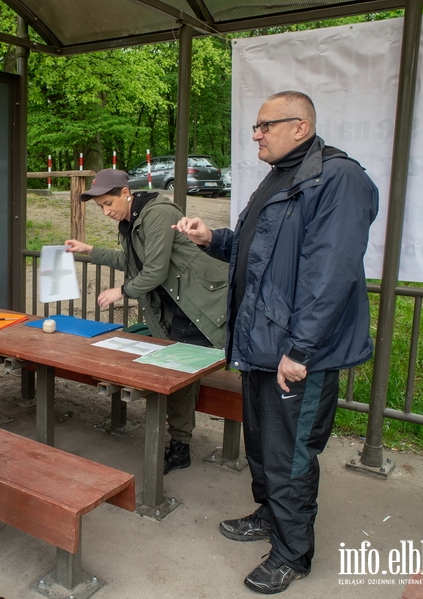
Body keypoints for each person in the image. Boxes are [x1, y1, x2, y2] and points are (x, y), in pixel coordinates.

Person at [174, 91, 379, 594]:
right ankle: (269, 516)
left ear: (300, 127)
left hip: (297, 353)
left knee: (290, 456)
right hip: (262, 345)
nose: (255, 134)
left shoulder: (338, 179)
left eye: (265, 125)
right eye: (256, 126)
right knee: (263, 446)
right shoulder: (280, 176)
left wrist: (300, 351)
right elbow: (257, 252)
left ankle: (293, 554)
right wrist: (212, 240)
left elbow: (329, 276)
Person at [64, 168, 228, 474]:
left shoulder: (156, 213)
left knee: (178, 376)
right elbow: (130, 261)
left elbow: (154, 271)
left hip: (199, 304)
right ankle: (178, 441)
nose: (107, 211)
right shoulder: (129, 222)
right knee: (171, 373)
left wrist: (120, 291)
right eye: (101, 207)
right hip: (175, 307)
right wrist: (89, 250)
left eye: (109, 203)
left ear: (126, 193)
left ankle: (180, 447)